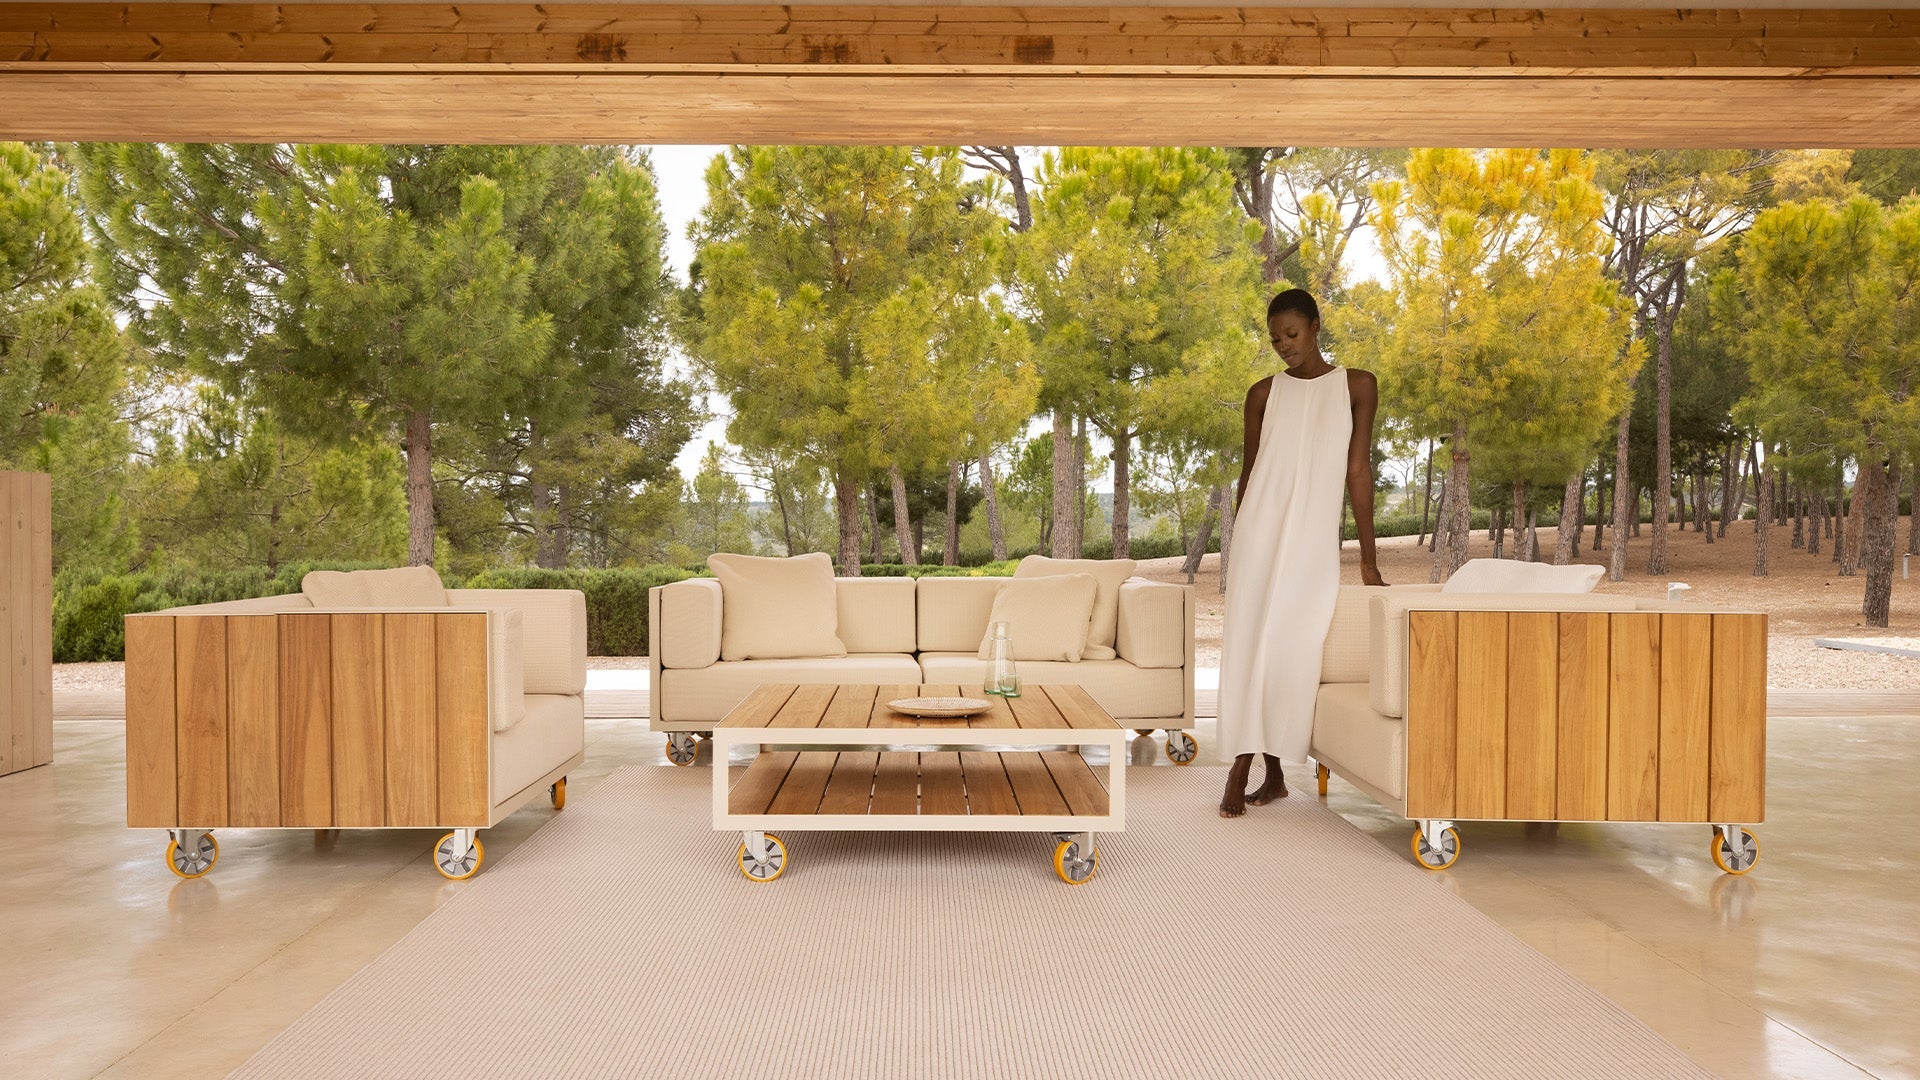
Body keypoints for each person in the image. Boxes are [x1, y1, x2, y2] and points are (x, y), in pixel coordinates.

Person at [1217, 288, 1383, 818]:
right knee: (1251, 643)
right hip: (1258, 533)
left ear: (1315, 326)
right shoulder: (1263, 394)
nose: (1283, 345)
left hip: (1312, 538)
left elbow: (1358, 471)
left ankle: (1268, 769)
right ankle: (1247, 767)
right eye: (1274, 339)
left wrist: (1368, 558)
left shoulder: (1357, 386)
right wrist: (1241, 540)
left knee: (1291, 645)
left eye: (1291, 334)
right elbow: (1250, 472)